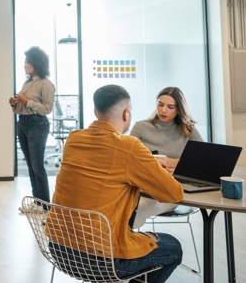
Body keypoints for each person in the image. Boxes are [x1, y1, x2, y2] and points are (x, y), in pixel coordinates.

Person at [50, 84, 184, 283]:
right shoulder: (129, 147)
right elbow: (174, 194)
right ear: (126, 113)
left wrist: (145, 163)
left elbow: (102, 162)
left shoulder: (73, 139)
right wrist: (146, 163)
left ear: (95, 111)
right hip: (99, 257)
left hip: (59, 248)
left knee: (139, 235)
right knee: (172, 246)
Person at [129, 86, 203, 228]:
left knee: (139, 209)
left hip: (171, 190)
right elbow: (128, 157)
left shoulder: (189, 129)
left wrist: (162, 160)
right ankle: (123, 242)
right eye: (160, 104)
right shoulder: (141, 127)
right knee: (131, 207)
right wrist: (176, 162)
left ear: (179, 109)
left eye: (170, 107)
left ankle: (122, 242)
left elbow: (201, 159)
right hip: (142, 186)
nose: (163, 110)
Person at [9, 46, 55, 210]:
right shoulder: (27, 83)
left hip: (38, 125)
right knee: (29, 164)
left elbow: (47, 109)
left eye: (28, 62)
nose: (25, 65)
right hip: (23, 123)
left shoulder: (46, 84)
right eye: (25, 62)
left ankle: (45, 205)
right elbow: (22, 105)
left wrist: (26, 102)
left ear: (37, 63)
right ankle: (37, 202)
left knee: (37, 166)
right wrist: (15, 104)